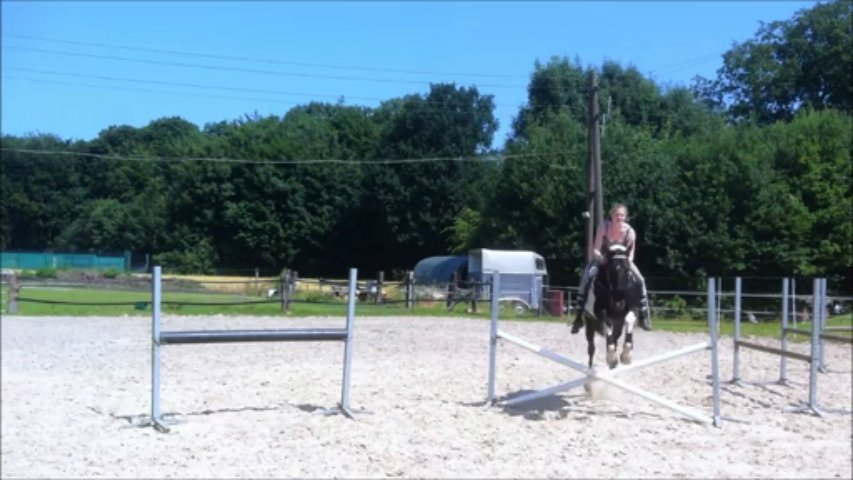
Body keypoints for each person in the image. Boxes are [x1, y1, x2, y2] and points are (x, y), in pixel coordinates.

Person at [571, 203, 651, 333]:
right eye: (616, 215)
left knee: (641, 280)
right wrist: (601, 258)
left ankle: (644, 315)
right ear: (611, 215)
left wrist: (626, 262)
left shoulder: (630, 232)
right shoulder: (604, 227)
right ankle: (579, 316)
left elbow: (631, 254)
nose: (619, 217)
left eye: (622, 215)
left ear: (625, 217)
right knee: (587, 277)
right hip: (603, 259)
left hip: (623, 261)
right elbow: (596, 249)